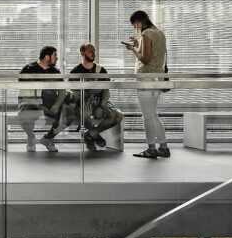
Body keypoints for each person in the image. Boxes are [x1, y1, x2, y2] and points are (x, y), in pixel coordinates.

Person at [124, 10, 170, 159]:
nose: (135, 28)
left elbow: (145, 59)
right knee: (153, 115)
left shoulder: (146, 34)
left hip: (146, 80)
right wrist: (138, 44)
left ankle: (151, 148)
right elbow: (155, 54)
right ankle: (163, 146)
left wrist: (133, 49)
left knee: (147, 116)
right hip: (157, 79)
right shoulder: (159, 33)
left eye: (135, 25)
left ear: (139, 22)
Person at [70, 42, 124, 152]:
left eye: (94, 51)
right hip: (84, 104)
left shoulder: (101, 70)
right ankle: (94, 136)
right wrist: (83, 101)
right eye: (90, 51)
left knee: (118, 115)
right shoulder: (75, 72)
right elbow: (73, 92)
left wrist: (103, 104)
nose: (93, 53)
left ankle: (91, 134)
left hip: (99, 103)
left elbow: (106, 89)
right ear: (82, 52)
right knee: (84, 113)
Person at [18, 46, 70, 153]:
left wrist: (56, 105)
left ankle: (48, 138)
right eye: (55, 55)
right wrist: (39, 106)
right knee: (24, 115)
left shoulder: (55, 72)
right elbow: (24, 92)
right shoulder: (28, 69)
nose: (57, 58)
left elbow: (62, 91)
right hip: (32, 103)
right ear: (47, 57)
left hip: (50, 104)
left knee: (69, 115)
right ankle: (31, 138)